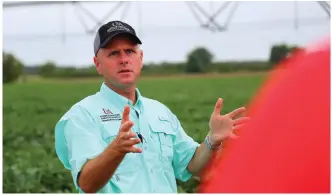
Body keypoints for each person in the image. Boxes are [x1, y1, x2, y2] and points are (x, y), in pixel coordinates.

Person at [54, 20, 250, 193]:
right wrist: (116, 150)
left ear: (140, 59)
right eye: (114, 53)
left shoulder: (160, 112)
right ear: (98, 64)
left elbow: (193, 166)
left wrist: (212, 141)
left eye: (129, 51)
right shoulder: (82, 116)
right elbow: (87, 184)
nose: (123, 59)